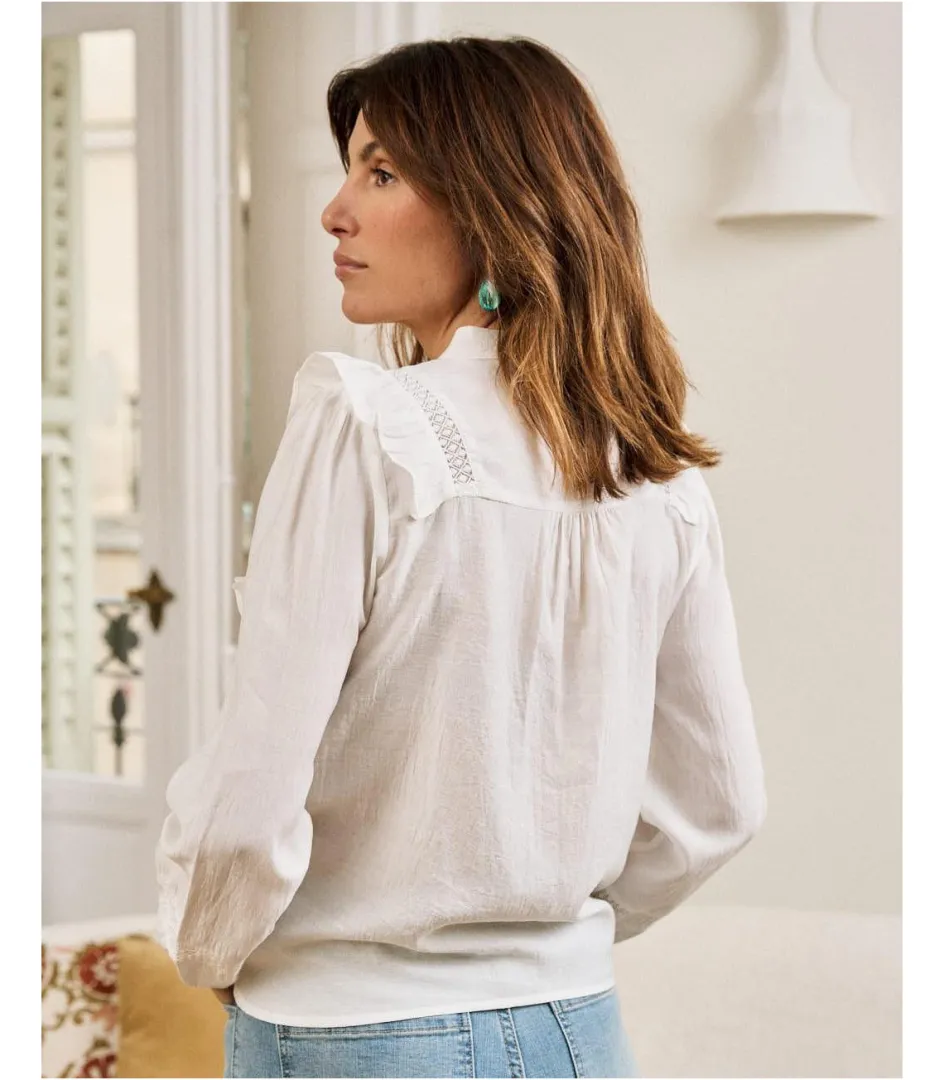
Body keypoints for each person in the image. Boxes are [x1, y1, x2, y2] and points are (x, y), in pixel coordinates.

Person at [155, 35, 767, 1079]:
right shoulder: (654, 474)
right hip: (577, 1032)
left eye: (382, 172)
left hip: (356, 1035)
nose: (334, 210)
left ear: (493, 206)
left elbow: (253, 793)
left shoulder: (363, 424)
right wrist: (538, 935)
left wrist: (210, 944)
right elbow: (721, 805)